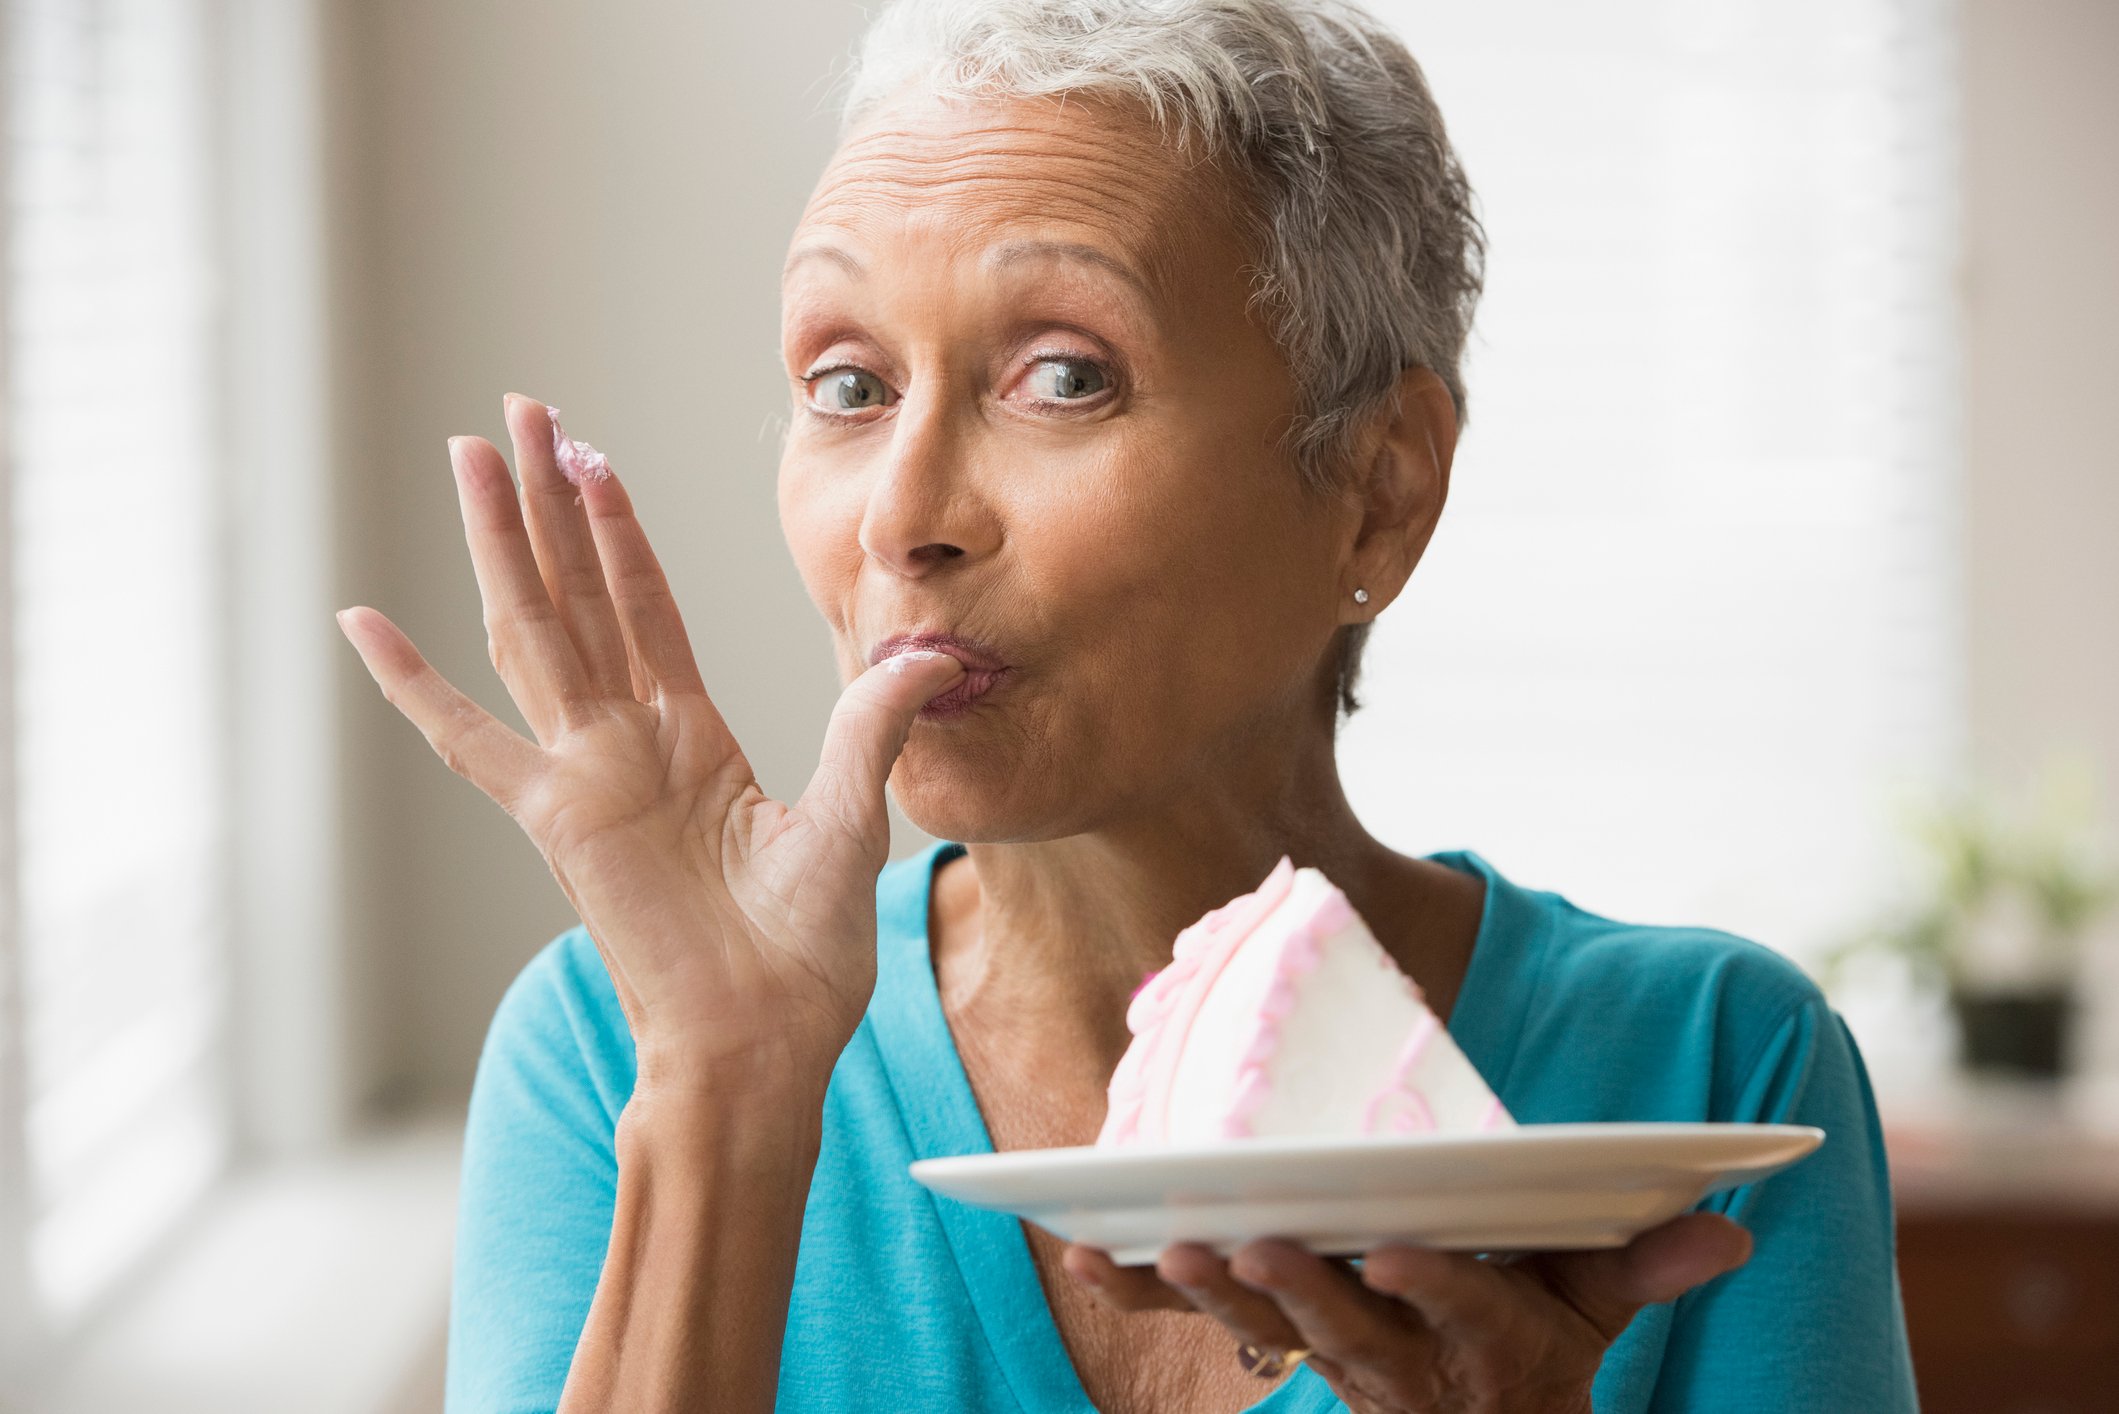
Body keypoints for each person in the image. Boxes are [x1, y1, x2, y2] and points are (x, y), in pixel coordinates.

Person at [335, 0, 1920, 1409]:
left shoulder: (1712, 1069)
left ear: (1376, 491)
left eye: (1065, 374)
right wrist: (732, 1094)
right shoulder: (619, 1053)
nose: (905, 515)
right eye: (848, 383)